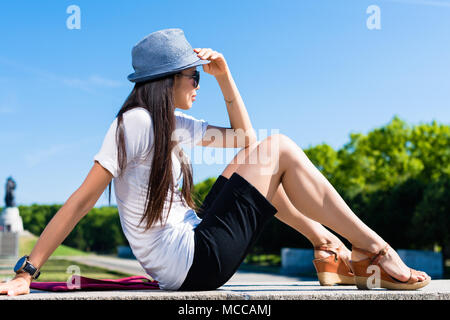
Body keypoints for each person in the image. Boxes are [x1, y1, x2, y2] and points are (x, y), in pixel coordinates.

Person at [0, 28, 430, 296]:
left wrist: (226, 76)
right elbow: (80, 202)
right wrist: (27, 272)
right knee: (277, 147)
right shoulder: (133, 124)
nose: (198, 84)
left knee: (258, 160)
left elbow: (245, 140)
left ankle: (326, 246)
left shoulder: (169, 122)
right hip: (196, 261)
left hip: (191, 257)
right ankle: (373, 247)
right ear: (166, 80)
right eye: (195, 76)